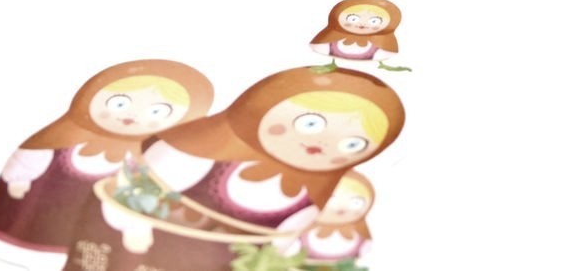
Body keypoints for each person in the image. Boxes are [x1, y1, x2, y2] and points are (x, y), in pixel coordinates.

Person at [62, 67, 405, 271]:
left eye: (352, 144)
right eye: (309, 124)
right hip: (138, 253)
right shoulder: (191, 152)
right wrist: (136, 229)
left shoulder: (315, 194)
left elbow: (278, 245)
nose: (321, 144)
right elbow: (133, 192)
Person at [0, 60, 214, 259]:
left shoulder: (140, 164)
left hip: (88, 241)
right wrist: (19, 180)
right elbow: (32, 158)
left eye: (157, 112)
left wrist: (134, 229)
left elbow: (132, 200)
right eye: (120, 103)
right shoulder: (60, 140)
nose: (131, 117)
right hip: (36, 224)